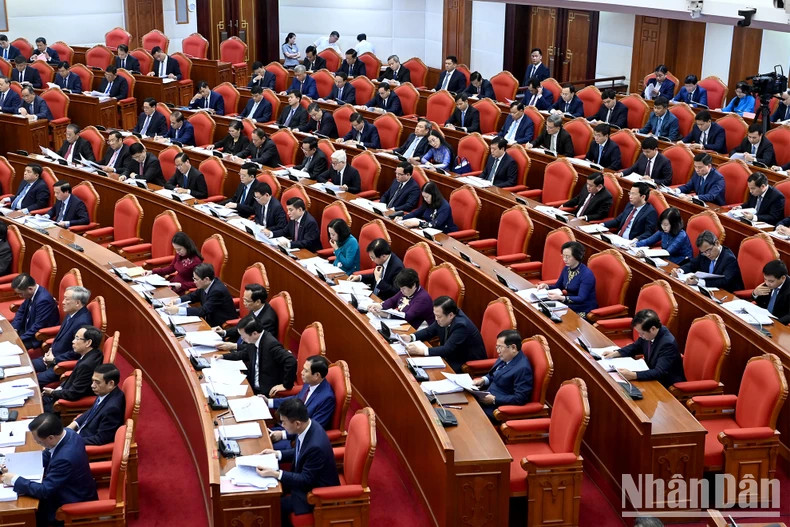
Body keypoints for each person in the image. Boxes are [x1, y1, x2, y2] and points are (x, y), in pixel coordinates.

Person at [2, 412, 98, 525]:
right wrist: (15, 464)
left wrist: (15, 479)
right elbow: (48, 454)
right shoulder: (69, 434)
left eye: (39, 441)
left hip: (70, 501)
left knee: (20, 515)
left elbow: (44, 491)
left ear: (51, 437)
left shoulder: (65, 459)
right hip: (70, 488)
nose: (37, 442)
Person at [255, 398, 339, 519]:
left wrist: (276, 473)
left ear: (297, 423)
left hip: (313, 492)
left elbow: (306, 480)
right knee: (266, 491)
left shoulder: (315, 446)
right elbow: (300, 452)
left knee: (271, 505)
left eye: (283, 422)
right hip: (303, 478)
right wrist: (277, 454)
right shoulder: (309, 426)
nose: (282, 426)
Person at [264, 356, 335, 450]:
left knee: (262, 448)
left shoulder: (327, 398)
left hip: (296, 439)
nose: (302, 373)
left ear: (317, 375)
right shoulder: (310, 382)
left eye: (306, 371)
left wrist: (282, 435)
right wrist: (268, 402)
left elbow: (313, 427)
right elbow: (296, 399)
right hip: (287, 426)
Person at [602, 309, 685, 387]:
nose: (640, 336)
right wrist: (616, 353)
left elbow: (660, 372)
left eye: (642, 333)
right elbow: (636, 346)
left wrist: (633, 375)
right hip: (650, 373)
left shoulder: (667, 344)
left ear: (653, 328)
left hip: (665, 384)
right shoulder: (650, 334)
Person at [404, 296, 486, 373]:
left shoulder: (461, 325)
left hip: (464, 363)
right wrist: (411, 337)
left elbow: (447, 349)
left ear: (450, 315)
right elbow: (429, 331)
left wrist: (420, 351)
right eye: (435, 315)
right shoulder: (445, 317)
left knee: (429, 374)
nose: (436, 319)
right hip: (450, 356)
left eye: (438, 316)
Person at [223, 316, 296, 396]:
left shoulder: (271, 344)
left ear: (254, 333)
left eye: (243, 336)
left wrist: (286, 385)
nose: (242, 339)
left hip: (264, 390)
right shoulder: (253, 340)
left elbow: (291, 360)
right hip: (251, 381)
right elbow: (245, 354)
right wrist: (223, 356)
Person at [35, 285, 93, 386]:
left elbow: (77, 352)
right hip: (51, 357)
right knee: (25, 367)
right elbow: (60, 338)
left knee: (33, 381)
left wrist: (54, 360)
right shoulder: (72, 313)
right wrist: (50, 351)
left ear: (77, 303)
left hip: (61, 365)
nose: (62, 302)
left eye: (67, 299)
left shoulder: (82, 323)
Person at [473, 329, 534, 422]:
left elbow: (520, 398)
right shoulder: (507, 356)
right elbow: (496, 374)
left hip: (496, 409)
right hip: (485, 397)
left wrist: (494, 399)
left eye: (500, 347)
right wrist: (484, 379)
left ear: (513, 348)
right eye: (497, 347)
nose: (497, 351)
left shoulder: (523, 368)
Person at [41, 326, 104, 411]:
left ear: (88, 343)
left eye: (77, 338)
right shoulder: (95, 353)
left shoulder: (86, 365)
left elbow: (74, 394)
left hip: (66, 403)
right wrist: (58, 389)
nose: (73, 341)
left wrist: (53, 393)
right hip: (65, 390)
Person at [67, 364, 126, 446]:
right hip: (80, 432)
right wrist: (73, 425)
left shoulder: (112, 409)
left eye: (97, 382)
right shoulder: (105, 392)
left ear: (111, 383)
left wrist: (71, 440)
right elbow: (92, 411)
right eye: (93, 381)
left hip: (82, 441)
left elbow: (100, 439)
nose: (92, 386)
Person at [165, 263, 236, 327]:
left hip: (220, 326)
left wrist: (178, 310)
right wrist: (176, 301)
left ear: (206, 279)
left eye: (196, 279)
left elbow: (203, 311)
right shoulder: (206, 284)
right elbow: (192, 296)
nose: (194, 282)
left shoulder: (217, 291)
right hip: (207, 320)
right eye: (193, 278)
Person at [537, 241, 597, 316]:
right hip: (568, 304)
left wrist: (562, 298)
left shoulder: (586, 275)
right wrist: (546, 286)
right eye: (563, 256)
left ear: (577, 256)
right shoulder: (566, 268)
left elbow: (581, 298)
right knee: (541, 309)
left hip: (583, 309)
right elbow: (558, 286)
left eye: (568, 257)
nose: (564, 259)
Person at [672, 230, 744, 291]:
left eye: (709, 250)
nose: (707, 254)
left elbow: (725, 281)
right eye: (704, 252)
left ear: (717, 243)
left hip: (726, 293)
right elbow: (693, 264)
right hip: (708, 290)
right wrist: (680, 271)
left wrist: (699, 282)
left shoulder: (729, 259)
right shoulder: (704, 252)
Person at [215, 283, 279, 344]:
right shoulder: (256, 308)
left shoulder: (267, 321)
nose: (244, 303)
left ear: (258, 302)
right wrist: (224, 332)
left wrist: (235, 346)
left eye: (247, 301)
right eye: (243, 299)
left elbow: (257, 346)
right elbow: (244, 327)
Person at [369, 268, 434, 329]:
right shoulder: (406, 291)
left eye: (403, 288)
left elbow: (408, 316)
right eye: (400, 288)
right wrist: (379, 306)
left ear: (414, 285)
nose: (401, 291)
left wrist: (386, 315)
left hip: (416, 328)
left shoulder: (423, 299)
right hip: (403, 323)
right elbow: (392, 301)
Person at [10, 272, 59, 349]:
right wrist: (14, 329)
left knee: (10, 349)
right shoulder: (31, 294)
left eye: (21, 294)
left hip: (35, 337)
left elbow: (38, 326)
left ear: (30, 289)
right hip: (26, 329)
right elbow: (21, 311)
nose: (20, 296)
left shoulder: (44, 300)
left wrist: (19, 339)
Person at [752, 260, 790, 324]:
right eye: (765, 279)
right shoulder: (768, 283)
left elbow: (789, 316)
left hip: (779, 324)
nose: (767, 283)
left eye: (771, 281)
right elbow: (760, 302)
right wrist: (755, 293)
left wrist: (773, 324)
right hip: (762, 319)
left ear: (783, 278)